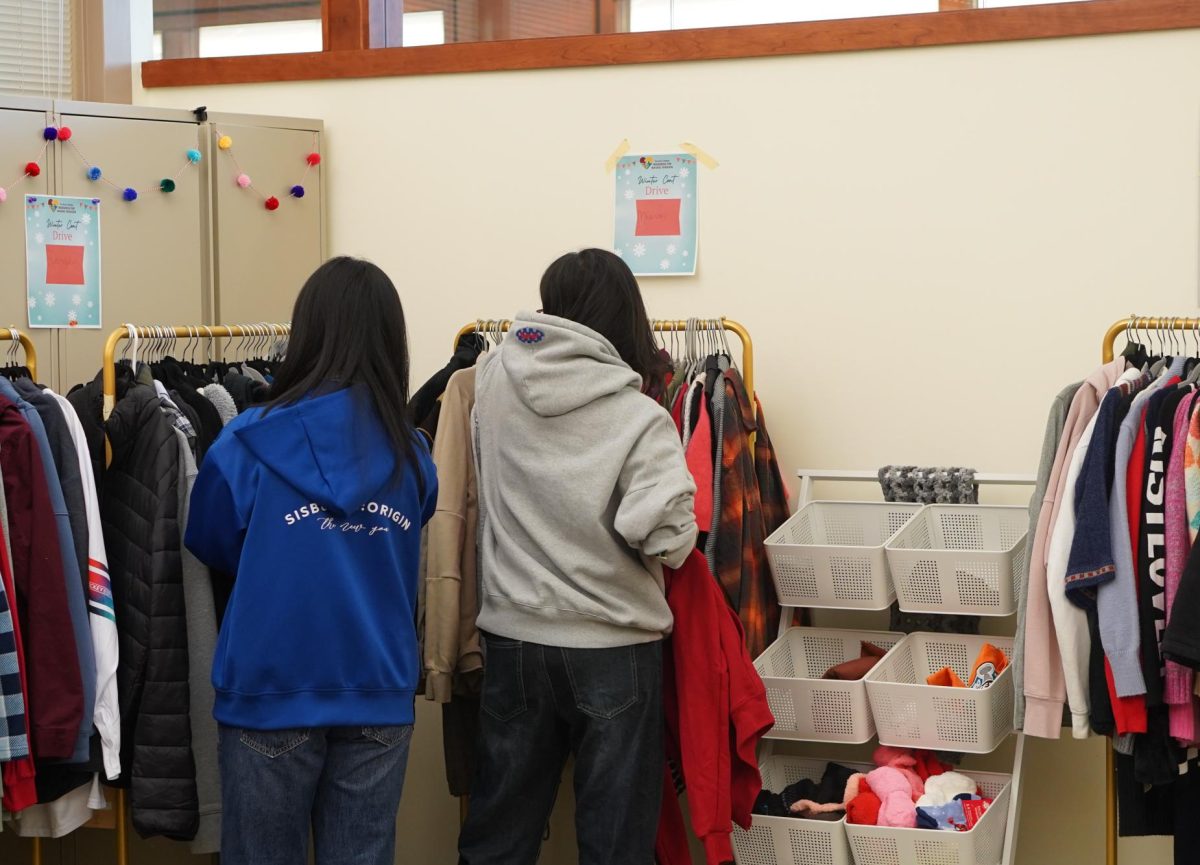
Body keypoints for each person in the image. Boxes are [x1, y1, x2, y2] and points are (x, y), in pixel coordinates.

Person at [185, 256, 438, 865]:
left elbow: (211, 539)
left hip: (271, 689)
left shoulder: (245, 443)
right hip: (378, 692)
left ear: (307, 333)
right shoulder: (413, 454)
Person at [458, 248, 698, 865]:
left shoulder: (489, 383)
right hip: (614, 647)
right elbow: (666, 540)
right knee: (615, 844)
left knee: (498, 836)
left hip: (512, 637)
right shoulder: (639, 416)